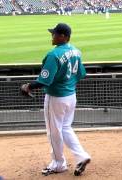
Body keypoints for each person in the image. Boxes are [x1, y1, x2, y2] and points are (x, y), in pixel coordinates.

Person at [20, 23, 91, 176]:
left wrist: (28, 86)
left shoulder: (54, 55)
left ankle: (58, 164)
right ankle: (82, 156)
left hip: (56, 98)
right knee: (65, 128)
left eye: (55, 34)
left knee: (54, 132)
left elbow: (44, 81)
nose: (52, 36)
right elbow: (81, 74)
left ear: (63, 36)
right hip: (71, 96)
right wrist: (67, 83)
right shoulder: (76, 51)